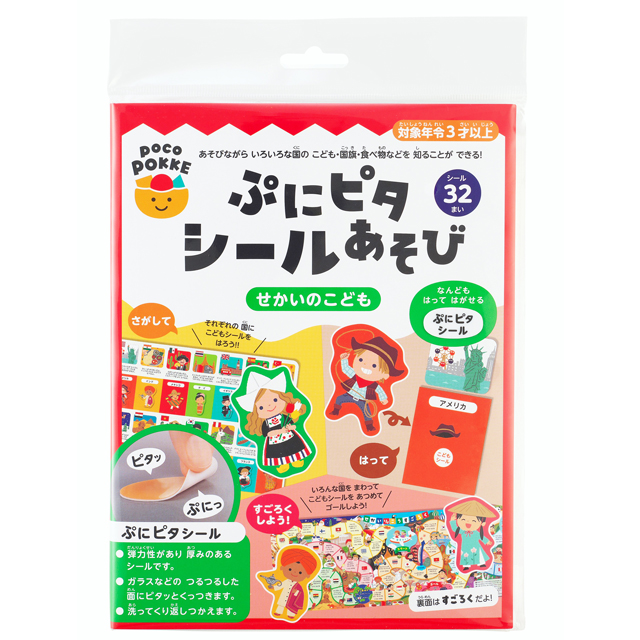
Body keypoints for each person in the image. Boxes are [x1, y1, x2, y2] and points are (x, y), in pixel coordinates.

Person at [328, 334, 405, 436]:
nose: (365, 365)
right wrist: (344, 360)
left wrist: (383, 399)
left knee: (367, 413)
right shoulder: (355, 375)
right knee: (339, 399)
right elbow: (345, 369)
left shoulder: (373, 384)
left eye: (374, 365)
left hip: (363, 401)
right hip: (349, 395)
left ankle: (369, 426)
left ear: (385, 375)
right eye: (361, 360)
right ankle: (335, 411)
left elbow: (380, 390)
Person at [237, 371, 311, 474]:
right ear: (256, 413)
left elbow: (293, 425)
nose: (270, 406)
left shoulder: (284, 416)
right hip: (275, 442)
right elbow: (268, 434)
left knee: (293, 448)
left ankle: (296, 460)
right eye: (261, 407)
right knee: (279, 453)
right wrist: (280, 431)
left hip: (289, 438)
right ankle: (283, 464)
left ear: (283, 398)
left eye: (275, 400)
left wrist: (290, 427)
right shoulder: (265, 423)